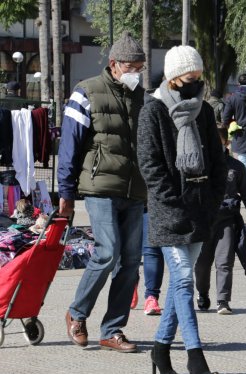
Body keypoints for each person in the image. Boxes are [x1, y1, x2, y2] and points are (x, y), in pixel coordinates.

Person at [137, 45, 225, 374]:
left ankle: (160, 349)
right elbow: (151, 167)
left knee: (180, 283)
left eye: (200, 79)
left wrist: (214, 198)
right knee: (185, 280)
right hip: (170, 213)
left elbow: (217, 158)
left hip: (201, 209)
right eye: (191, 79)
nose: (197, 85)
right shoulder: (153, 112)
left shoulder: (202, 111)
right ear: (174, 80)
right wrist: (173, 201)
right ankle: (195, 358)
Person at [58, 31, 147, 353]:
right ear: (114, 64)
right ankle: (77, 314)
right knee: (107, 252)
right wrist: (65, 193)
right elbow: (69, 145)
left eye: (141, 67)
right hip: (99, 188)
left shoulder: (143, 98)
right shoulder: (86, 92)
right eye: (132, 67)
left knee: (131, 261)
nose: (137, 73)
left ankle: (112, 330)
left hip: (135, 191)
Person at [194, 125, 246, 314]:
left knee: (225, 261)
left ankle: (223, 300)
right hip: (204, 221)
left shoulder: (236, 166)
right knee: (202, 263)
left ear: (226, 142)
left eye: (218, 141)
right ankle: (203, 294)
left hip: (227, 220)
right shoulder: (200, 164)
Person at [223, 74, 246, 177]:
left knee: (242, 161)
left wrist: (231, 124)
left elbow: (225, 118)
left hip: (239, 133)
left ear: (238, 84)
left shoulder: (233, 98)